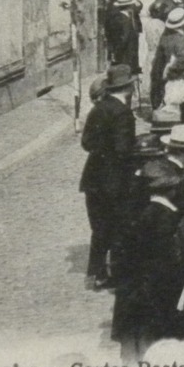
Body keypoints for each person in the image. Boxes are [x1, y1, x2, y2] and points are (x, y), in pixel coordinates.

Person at [112, 157, 184, 359]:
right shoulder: (168, 219)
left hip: (131, 295)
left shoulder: (135, 213)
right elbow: (170, 261)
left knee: (131, 349)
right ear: (172, 190)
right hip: (155, 296)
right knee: (152, 349)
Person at [78, 64, 138, 290]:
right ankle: (115, 274)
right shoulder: (123, 113)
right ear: (128, 88)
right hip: (114, 181)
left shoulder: (98, 108)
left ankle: (95, 273)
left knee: (100, 227)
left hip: (93, 178)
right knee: (119, 226)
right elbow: (123, 151)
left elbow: (86, 143)